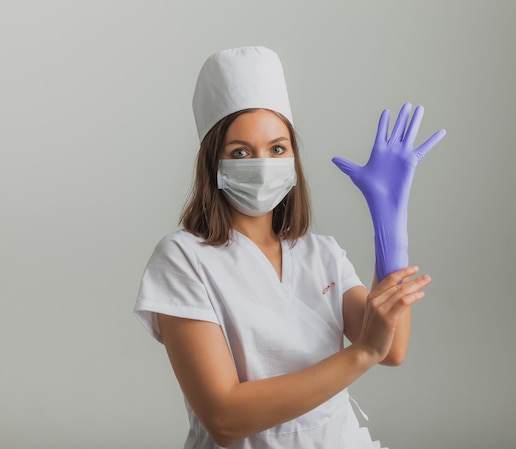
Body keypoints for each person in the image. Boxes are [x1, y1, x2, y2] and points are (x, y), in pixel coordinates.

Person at [134, 46, 442, 449]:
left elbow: (391, 348)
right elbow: (224, 419)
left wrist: (389, 223)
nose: (263, 163)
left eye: (277, 149)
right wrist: (361, 352)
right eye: (240, 152)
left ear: (293, 158)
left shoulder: (322, 254)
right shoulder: (183, 259)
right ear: (214, 163)